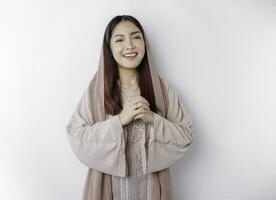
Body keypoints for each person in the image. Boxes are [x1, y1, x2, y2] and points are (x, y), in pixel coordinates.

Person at [66, 15, 194, 200]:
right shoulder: (97, 91)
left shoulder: (163, 90)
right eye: (119, 39)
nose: (130, 45)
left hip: (151, 190)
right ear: (109, 48)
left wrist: (154, 120)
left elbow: (186, 137)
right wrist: (119, 121)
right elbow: (76, 137)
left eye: (136, 37)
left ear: (144, 43)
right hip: (108, 190)